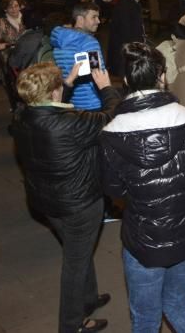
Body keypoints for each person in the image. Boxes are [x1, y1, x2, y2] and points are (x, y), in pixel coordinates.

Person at [100, 42, 185, 333]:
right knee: (178, 304)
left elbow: (114, 189)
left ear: (125, 81)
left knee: (146, 320)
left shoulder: (111, 134)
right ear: (162, 76)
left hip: (144, 243)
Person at [12, 63, 120, 333]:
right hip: (79, 204)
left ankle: (88, 299)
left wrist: (67, 82)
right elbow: (112, 117)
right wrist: (106, 87)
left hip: (47, 201)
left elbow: (48, 106)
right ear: (54, 92)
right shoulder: (72, 124)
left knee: (78, 252)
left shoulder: (22, 116)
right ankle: (72, 325)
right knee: (75, 263)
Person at [51, 3, 106, 111]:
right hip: (92, 101)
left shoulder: (58, 41)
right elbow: (99, 75)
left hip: (70, 100)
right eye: (94, 17)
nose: (98, 21)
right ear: (80, 19)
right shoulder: (89, 42)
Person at [105, 0, 146, 78]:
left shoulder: (132, 3)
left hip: (131, 54)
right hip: (126, 56)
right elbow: (125, 34)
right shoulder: (125, 5)